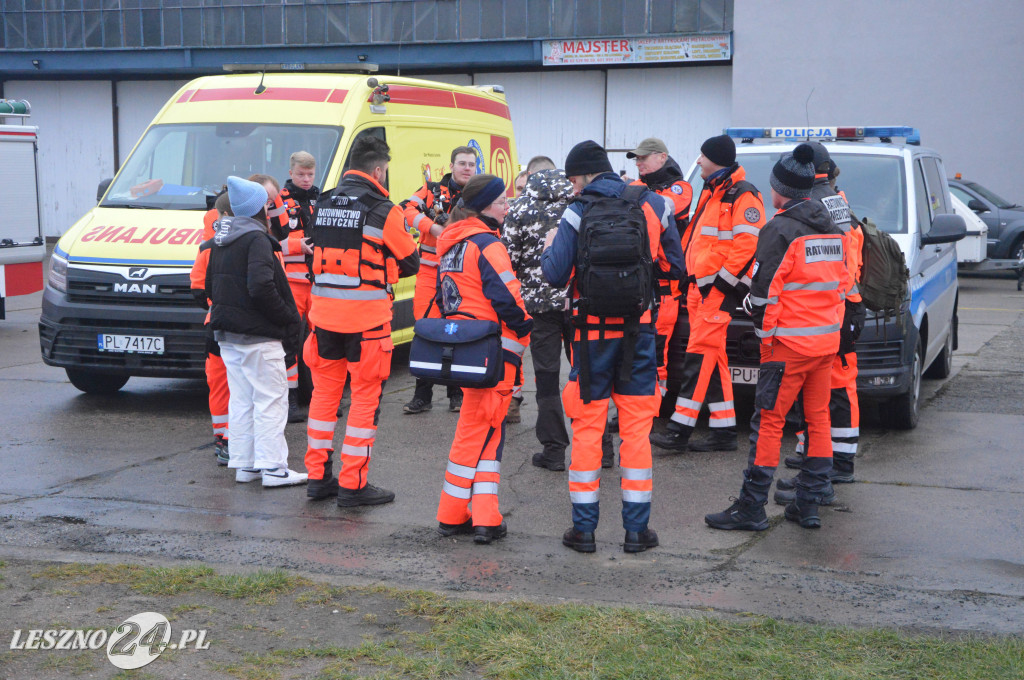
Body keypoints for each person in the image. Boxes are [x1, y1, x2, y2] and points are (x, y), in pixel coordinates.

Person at [541, 140, 684, 554]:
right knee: (637, 432)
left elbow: (554, 275)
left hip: (590, 338)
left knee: (587, 431)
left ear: (584, 176)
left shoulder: (576, 210)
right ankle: (637, 532)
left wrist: (552, 242)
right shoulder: (654, 204)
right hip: (640, 334)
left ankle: (583, 531)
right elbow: (676, 267)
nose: (571, 188)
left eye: (572, 180)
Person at [705, 143, 848, 531]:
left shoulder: (779, 229)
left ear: (778, 190)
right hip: (824, 345)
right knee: (818, 421)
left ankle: (751, 508)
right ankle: (809, 504)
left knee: (769, 423)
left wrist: (765, 338)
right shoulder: (833, 228)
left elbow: (763, 296)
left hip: (786, 346)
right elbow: (843, 286)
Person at [303, 136, 420, 507]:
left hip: (323, 320)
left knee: (323, 398)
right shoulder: (384, 210)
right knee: (364, 401)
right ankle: (353, 485)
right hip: (367, 324)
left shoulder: (321, 203)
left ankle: (318, 478)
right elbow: (411, 262)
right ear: (378, 170)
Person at [650, 134, 765, 453]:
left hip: (717, 292)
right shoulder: (714, 191)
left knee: (698, 357)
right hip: (701, 290)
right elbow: (698, 240)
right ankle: (724, 430)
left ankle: (679, 428)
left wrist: (723, 285)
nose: (698, 160)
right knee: (713, 357)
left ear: (717, 159)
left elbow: (747, 246)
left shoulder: (742, 195)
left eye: (702, 155)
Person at [434, 174, 533, 544]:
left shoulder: (451, 244)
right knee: (486, 430)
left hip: (467, 348)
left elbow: (447, 300)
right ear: (486, 208)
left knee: (480, 429)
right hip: (496, 350)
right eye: (503, 202)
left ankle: (471, 514)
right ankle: (472, 517)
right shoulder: (487, 244)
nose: (508, 208)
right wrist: (526, 328)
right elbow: (508, 300)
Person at [202, 176, 307, 487]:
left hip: (229, 337)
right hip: (259, 337)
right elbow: (262, 287)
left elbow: (209, 286)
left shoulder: (221, 239)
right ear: (259, 207)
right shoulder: (257, 240)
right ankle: (274, 468)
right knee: (271, 400)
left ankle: (246, 465)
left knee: (243, 400)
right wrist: (288, 318)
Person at [775, 143, 865, 504]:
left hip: (833, 306)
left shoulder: (814, 203)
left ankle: (831, 467)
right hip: (841, 304)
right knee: (829, 389)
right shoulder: (835, 200)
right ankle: (824, 464)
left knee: (830, 390)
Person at [503, 161, 576, 470]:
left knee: (546, 377)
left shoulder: (518, 210)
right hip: (578, 302)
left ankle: (554, 450)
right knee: (585, 375)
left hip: (539, 307)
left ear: (529, 177)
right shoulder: (579, 205)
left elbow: (508, 260)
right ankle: (602, 450)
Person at [402, 146, 478, 415]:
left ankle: (456, 394)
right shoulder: (433, 190)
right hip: (429, 274)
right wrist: (433, 227)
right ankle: (422, 395)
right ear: (452, 165)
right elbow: (405, 209)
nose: (467, 168)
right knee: (425, 331)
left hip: (461, 277)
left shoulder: (478, 194)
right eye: (462, 163)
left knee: (456, 332)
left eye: (471, 164)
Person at [627, 137, 692, 400]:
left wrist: (637, 196)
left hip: (665, 286)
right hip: (639, 282)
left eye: (644, 157)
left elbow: (665, 207)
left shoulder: (680, 188)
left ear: (662, 157)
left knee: (657, 350)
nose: (639, 162)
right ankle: (637, 405)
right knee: (634, 348)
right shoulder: (637, 186)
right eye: (637, 158)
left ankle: (654, 407)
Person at [277, 151, 321, 423]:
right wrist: (297, 245)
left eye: (310, 175)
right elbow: (269, 240)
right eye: (301, 174)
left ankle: (320, 396)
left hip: (317, 281)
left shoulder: (322, 198)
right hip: (292, 283)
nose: (306, 179)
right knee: (290, 342)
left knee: (320, 341)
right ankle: (290, 400)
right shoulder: (278, 201)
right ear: (291, 172)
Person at [191, 190, 232, 466]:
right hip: (245, 328)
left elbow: (196, 288)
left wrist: (214, 300)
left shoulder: (207, 247)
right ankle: (234, 440)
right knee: (243, 386)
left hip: (215, 323)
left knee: (218, 385)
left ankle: (222, 440)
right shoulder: (256, 241)